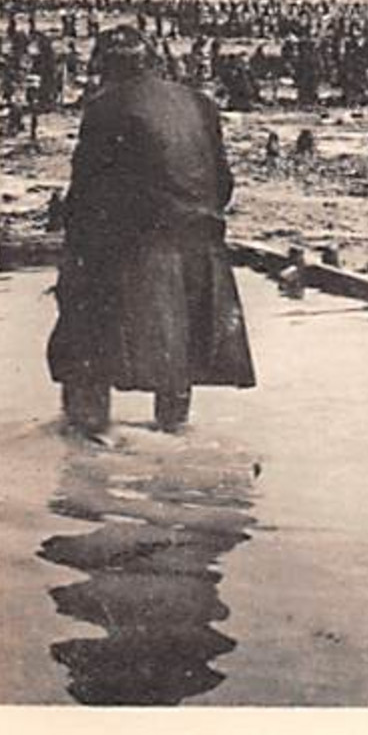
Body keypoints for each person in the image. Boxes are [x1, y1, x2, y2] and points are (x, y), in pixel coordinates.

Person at [47, 27, 256, 436]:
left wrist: (75, 258)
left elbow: (86, 190)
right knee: (176, 360)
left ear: (105, 67)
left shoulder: (106, 107)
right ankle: (173, 436)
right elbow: (223, 186)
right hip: (201, 242)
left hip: (142, 247)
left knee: (81, 340)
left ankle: (86, 441)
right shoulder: (200, 102)